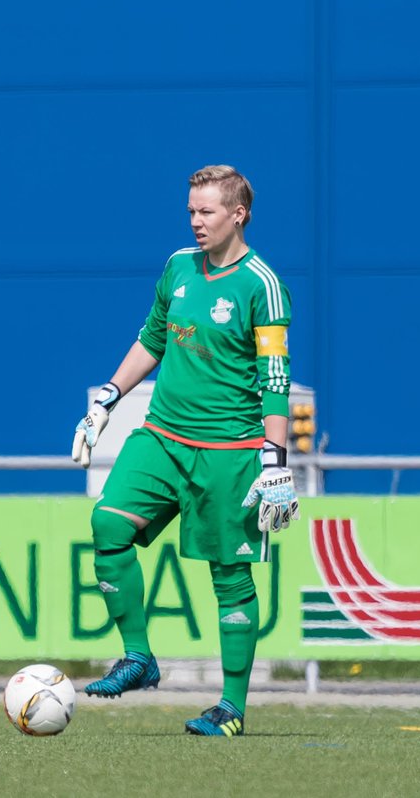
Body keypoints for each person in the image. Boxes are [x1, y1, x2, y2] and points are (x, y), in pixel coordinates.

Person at [70, 164, 298, 737]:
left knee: (230, 579)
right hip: (163, 437)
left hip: (230, 451)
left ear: (238, 214)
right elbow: (152, 337)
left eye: (207, 211)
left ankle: (232, 708)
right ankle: (139, 657)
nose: (196, 221)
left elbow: (275, 377)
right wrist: (107, 399)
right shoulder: (177, 268)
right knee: (108, 526)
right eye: (191, 211)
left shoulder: (261, 285)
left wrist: (275, 459)